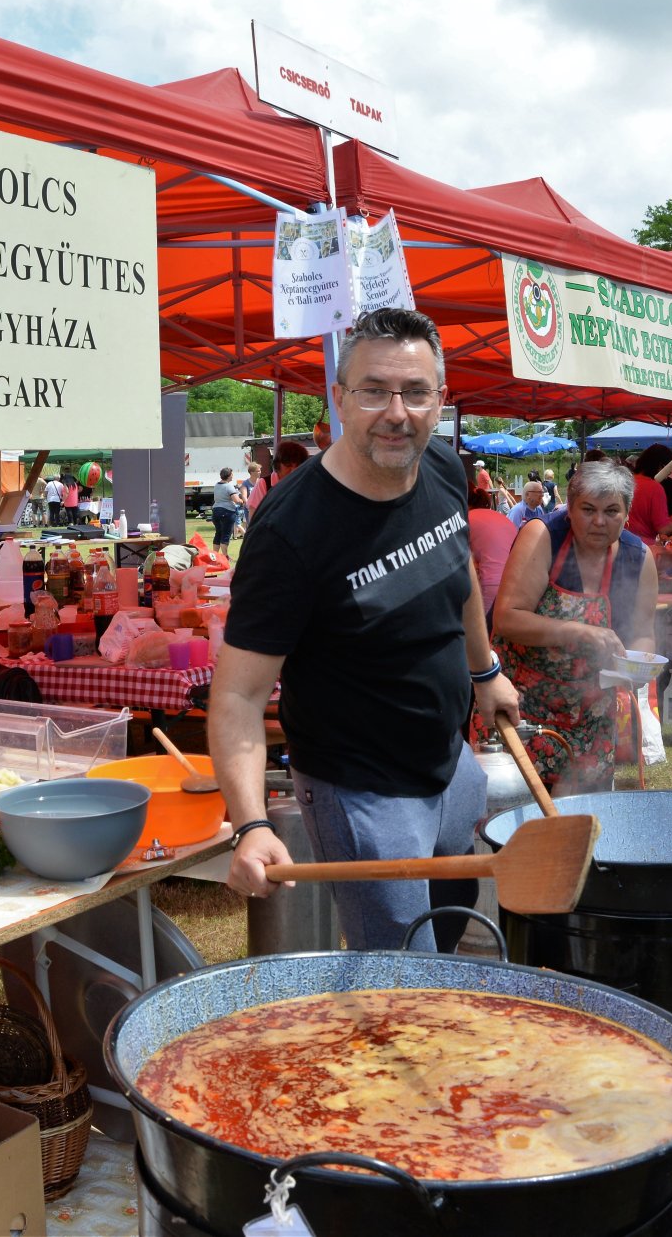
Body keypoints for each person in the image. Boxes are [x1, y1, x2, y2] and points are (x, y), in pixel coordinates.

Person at [210, 307, 518, 953]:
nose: (396, 413)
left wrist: (485, 669)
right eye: (374, 391)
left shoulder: (444, 469)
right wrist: (250, 825)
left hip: (450, 762)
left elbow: (458, 568)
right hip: (363, 793)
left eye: (415, 392)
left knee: (449, 926)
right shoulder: (290, 532)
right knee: (401, 972)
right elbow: (237, 696)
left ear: (441, 400)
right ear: (340, 399)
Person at [491, 461, 658, 792]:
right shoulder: (543, 536)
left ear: (627, 513)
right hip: (522, 706)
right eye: (588, 509)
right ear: (569, 508)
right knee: (518, 813)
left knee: (580, 816)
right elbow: (507, 616)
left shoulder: (639, 558)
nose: (599, 521)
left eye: (611, 511)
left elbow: (643, 632)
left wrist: (636, 666)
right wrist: (580, 631)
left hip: (591, 717)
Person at [466, 488, 518, 628]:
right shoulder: (502, 518)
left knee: (481, 632)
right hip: (515, 584)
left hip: (489, 584)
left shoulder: (465, 520)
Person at [626, 446, 672, 543]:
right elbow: (663, 529)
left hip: (622, 543)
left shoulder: (626, 482)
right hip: (643, 546)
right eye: (669, 467)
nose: (670, 472)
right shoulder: (655, 488)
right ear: (660, 466)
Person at [246, 441, 310, 516]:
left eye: (297, 467)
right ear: (278, 464)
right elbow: (254, 515)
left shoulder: (306, 483)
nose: (293, 470)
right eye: (288, 466)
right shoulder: (265, 484)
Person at [210, 467, 244, 549]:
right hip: (227, 512)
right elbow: (236, 500)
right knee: (226, 534)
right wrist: (242, 501)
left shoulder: (216, 485)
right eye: (232, 474)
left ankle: (215, 554)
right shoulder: (229, 486)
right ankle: (225, 555)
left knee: (218, 533)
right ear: (228, 476)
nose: (232, 476)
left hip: (216, 511)